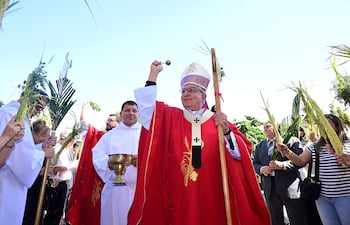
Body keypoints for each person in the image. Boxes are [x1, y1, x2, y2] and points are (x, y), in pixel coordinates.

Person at [128, 61, 271, 225]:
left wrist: (226, 131)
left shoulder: (219, 122)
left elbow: (240, 153)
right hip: (179, 195)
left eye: (192, 90)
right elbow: (147, 113)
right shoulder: (171, 118)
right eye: (183, 91)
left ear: (204, 96)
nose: (186, 94)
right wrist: (153, 75)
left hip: (213, 191)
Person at [278, 114, 350, 225]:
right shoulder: (314, 147)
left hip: (345, 196)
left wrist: (347, 160)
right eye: (321, 125)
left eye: (327, 125)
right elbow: (300, 161)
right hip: (322, 197)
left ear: (337, 127)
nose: (324, 128)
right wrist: (287, 152)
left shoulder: (348, 145)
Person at [0, 89, 56, 225]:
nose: (38, 111)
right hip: (6, 184)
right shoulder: (11, 115)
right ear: (28, 98)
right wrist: (43, 154)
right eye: (38, 106)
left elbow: (20, 150)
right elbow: (17, 158)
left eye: (41, 109)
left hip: (12, 183)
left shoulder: (18, 116)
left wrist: (40, 148)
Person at [65, 104, 120, 225]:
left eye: (111, 120)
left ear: (119, 122)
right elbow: (84, 125)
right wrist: (84, 109)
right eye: (107, 120)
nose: (107, 122)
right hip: (98, 181)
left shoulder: (129, 138)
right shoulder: (100, 136)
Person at [92, 100, 140, 225]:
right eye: (127, 110)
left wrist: (143, 161)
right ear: (121, 114)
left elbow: (156, 156)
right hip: (115, 191)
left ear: (138, 114)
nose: (131, 113)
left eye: (134, 110)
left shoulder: (146, 134)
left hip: (139, 191)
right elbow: (97, 155)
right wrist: (109, 163)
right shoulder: (110, 136)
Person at [253, 122, 309, 225]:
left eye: (268, 126)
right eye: (264, 127)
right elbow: (255, 163)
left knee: (297, 219)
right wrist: (261, 169)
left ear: (275, 127)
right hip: (270, 189)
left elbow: (301, 161)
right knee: (276, 220)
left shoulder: (291, 141)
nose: (265, 128)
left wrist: (282, 165)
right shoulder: (259, 146)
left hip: (289, 187)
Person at [22, 119, 51, 225]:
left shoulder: (42, 148)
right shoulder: (27, 147)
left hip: (39, 187)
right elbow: (24, 168)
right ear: (33, 133)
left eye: (46, 137)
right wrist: (40, 172)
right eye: (42, 136)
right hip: (29, 188)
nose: (43, 139)